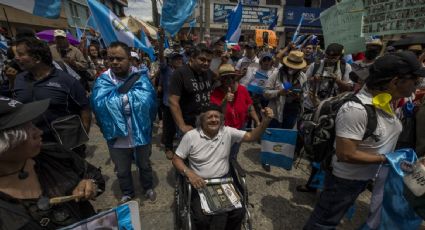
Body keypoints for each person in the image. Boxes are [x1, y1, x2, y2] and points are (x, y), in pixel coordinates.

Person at [304, 51, 425, 229]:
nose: (417, 87)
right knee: (324, 222)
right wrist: (388, 159)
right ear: (395, 82)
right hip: (345, 181)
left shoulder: (387, 102)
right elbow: (346, 153)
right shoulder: (356, 110)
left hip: (364, 177)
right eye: (415, 82)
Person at [0, 97, 105, 229]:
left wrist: (91, 184)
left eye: (34, 126)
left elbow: (93, 175)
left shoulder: (54, 154)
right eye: (30, 133)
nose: (40, 132)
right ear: (4, 146)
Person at [172, 104, 274, 230]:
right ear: (201, 120)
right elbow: (176, 159)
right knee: (201, 218)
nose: (214, 120)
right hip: (200, 182)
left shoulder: (227, 132)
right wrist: (189, 173)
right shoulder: (191, 136)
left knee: (239, 212)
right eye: (209, 117)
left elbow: (251, 136)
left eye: (217, 117)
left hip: (223, 180)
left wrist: (265, 121)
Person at [90, 41, 157, 204]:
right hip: (116, 136)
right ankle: (127, 192)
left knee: (144, 164)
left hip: (140, 132)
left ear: (130, 59)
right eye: (111, 58)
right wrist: (122, 99)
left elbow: (150, 102)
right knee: (122, 169)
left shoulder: (140, 78)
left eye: (119, 59)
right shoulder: (103, 81)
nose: (114, 62)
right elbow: (98, 105)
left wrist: (116, 100)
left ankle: (147, 187)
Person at [13, 37, 91, 148]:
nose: (16, 58)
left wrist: (79, 139)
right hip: (33, 147)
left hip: (65, 147)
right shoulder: (19, 79)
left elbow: (85, 108)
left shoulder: (67, 81)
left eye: (20, 54)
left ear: (37, 58)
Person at [210, 64, 260, 160]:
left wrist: (257, 122)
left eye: (232, 77)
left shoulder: (242, 89)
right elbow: (216, 114)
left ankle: (231, 165)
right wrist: (224, 101)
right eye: (225, 78)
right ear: (221, 80)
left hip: (240, 128)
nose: (229, 80)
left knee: (234, 152)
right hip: (224, 130)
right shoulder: (216, 93)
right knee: (221, 153)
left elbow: (250, 107)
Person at [168, 45, 214, 134]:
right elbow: (173, 101)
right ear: (192, 58)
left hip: (206, 122)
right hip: (189, 125)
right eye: (202, 59)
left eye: (209, 61)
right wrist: (182, 125)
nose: (206, 63)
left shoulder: (208, 72)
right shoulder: (180, 73)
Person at [264, 50, 307, 129]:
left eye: (295, 67)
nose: (292, 68)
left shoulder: (303, 77)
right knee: (274, 136)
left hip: (292, 112)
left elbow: (305, 93)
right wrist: (279, 92)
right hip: (275, 113)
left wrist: (299, 96)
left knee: (286, 137)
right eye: (290, 66)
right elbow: (265, 92)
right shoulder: (276, 74)